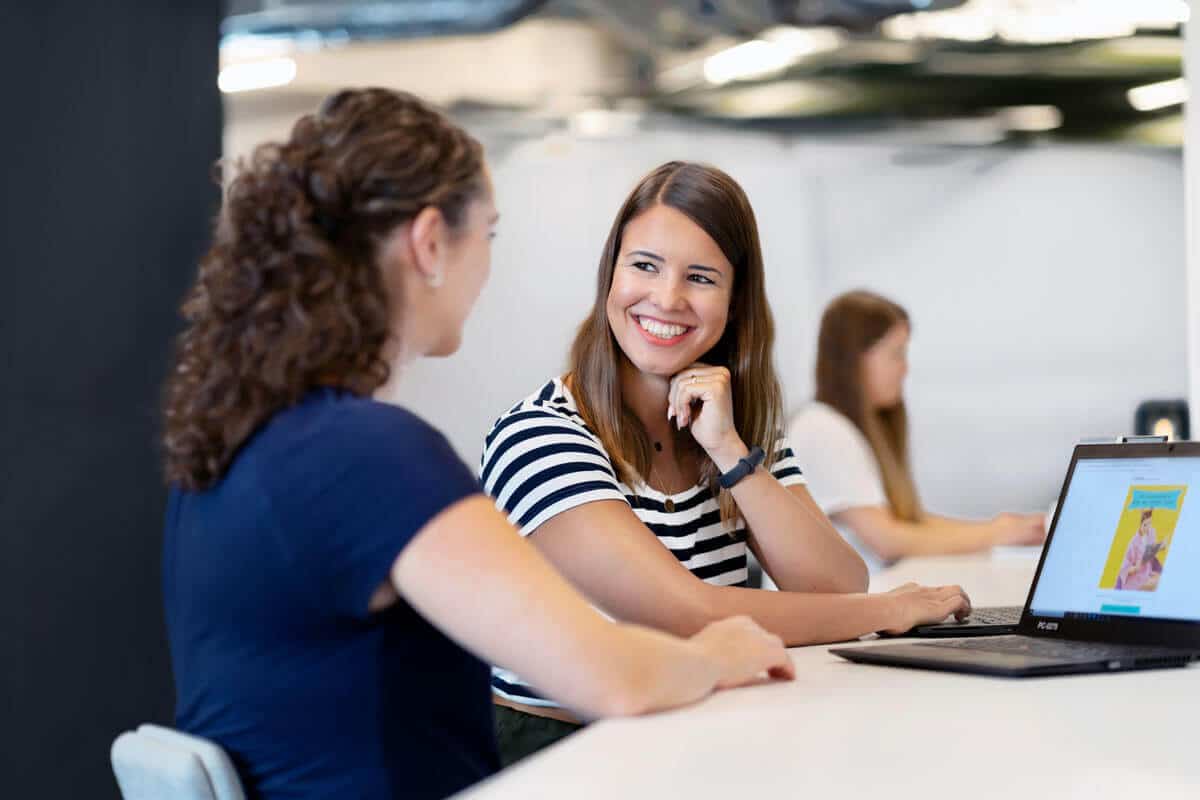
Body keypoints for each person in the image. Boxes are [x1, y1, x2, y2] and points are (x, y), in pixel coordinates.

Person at [160, 89, 799, 800]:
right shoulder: (370, 456)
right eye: (487, 235)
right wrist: (718, 651)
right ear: (431, 243)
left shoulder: (247, 440)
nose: (489, 267)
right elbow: (610, 675)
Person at [480, 161, 972, 761]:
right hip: (566, 749)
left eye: (701, 277)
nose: (667, 298)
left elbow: (834, 584)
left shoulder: (735, 427)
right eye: (644, 266)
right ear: (610, 275)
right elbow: (686, 616)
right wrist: (886, 612)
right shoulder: (537, 436)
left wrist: (731, 454)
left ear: (736, 302)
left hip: (709, 723)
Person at [787, 290, 1046, 572]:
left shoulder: (845, 427)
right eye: (896, 354)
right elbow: (887, 539)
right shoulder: (822, 428)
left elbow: (909, 521)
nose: (905, 369)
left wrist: (998, 528)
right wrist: (994, 535)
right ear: (856, 360)